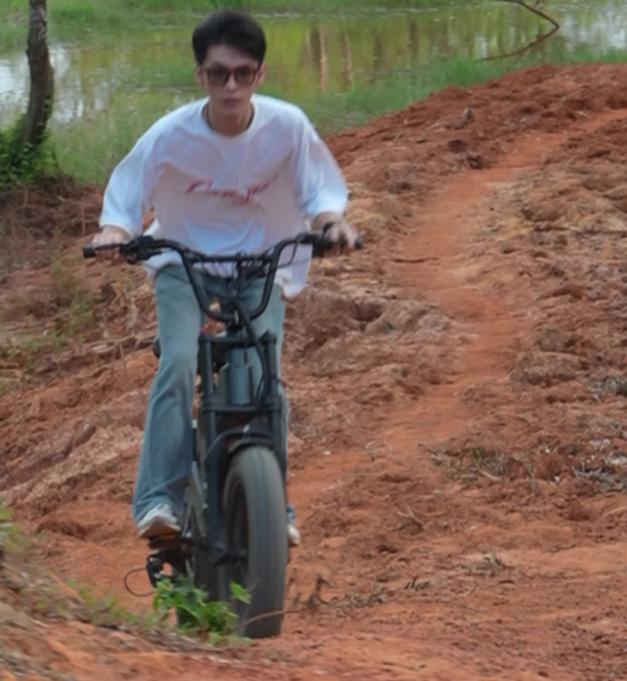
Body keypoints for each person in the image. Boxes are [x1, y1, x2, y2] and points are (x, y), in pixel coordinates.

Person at [91, 9, 358, 546]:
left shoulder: (287, 126)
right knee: (178, 361)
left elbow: (320, 194)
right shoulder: (171, 135)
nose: (231, 86)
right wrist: (115, 233)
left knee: (265, 378)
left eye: (242, 73)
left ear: (260, 73)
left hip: (260, 266)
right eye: (218, 73)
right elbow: (126, 197)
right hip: (183, 264)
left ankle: (273, 504)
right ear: (201, 75)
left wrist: (332, 225)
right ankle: (158, 499)